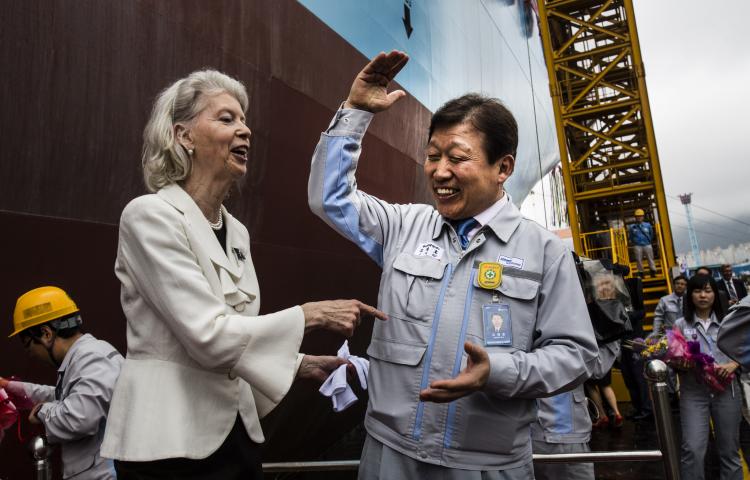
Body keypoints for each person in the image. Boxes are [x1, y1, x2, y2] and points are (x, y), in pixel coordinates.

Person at [309, 51, 598, 478]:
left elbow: (575, 355)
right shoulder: (403, 226)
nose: (440, 172)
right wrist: (355, 111)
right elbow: (330, 197)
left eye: (458, 158)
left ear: (503, 167)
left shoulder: (544, 252)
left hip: (486, 466)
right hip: (389, 455)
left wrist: (496, 372)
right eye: (432, 156)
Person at [100, 70, 386, 479]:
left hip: (237, 436)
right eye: (226, 118)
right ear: (183, 135)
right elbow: (208, 336)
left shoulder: (235, 230)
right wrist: (311, 315)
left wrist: (298, 364)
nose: (245, 130)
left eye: (244, 119)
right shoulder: (149, 216)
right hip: (169, 446)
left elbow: (237, 329)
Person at [2, 286, 123, 480]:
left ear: (46, 333)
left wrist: (42, 412)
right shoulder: (85, 357)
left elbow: (81, 416)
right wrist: (13, 387)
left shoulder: (92, 359)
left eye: (28, 345)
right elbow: (66, 398)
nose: (31, 354)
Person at [673, 274, 742, 480]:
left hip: (727, 393)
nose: (703, 295)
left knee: (729, 451)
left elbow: (744, 350)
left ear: (715, 294)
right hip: (693, 394)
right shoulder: (680, 325)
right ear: (690, 295)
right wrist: (679, 363)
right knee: (692, 450)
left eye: (707, 290)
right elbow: (674, 358)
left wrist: (734, 364)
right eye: (697, 291)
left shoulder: (729, 322)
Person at [627, 208, 656, 277]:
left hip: (647, 244)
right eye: (637, 216)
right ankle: (641, 272)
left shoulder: (648, 225)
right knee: (638, 259)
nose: (639, 217)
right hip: (637, 245)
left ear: (643, 217)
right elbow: (630, 236)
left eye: (640, 216)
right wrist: (635, 242)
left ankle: (653, 271)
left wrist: (648, 241)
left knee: (650, 258)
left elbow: (651, 234)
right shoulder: (632, 227)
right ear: (635, 217)